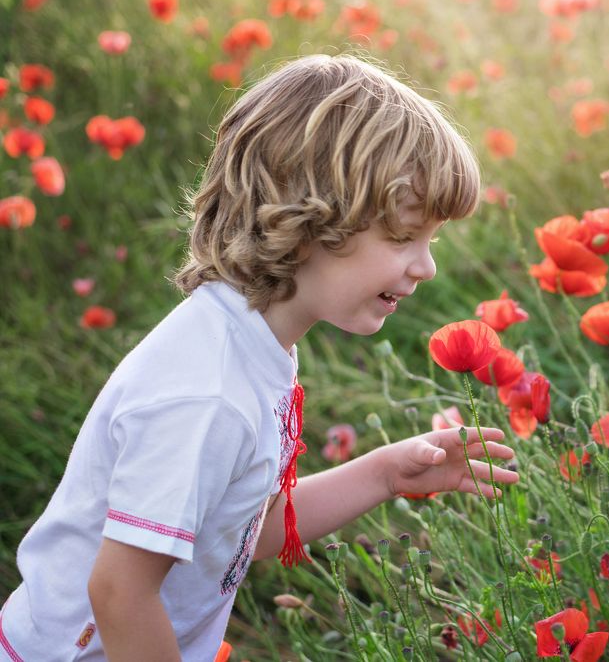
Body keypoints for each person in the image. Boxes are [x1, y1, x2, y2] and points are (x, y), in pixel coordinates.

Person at [1, 54, 519, 661]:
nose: (425, 266)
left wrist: (385, 474)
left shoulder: (254, 345)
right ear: (309, 219)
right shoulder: (207, 393)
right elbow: (119, 592)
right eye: (404, 237)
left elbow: (244, 529)